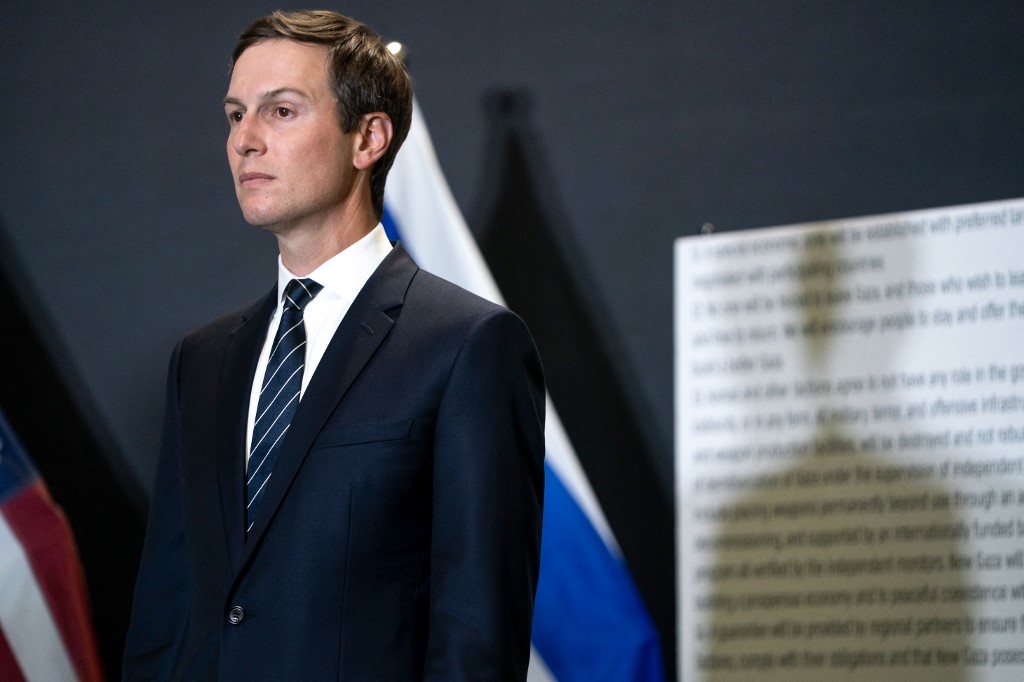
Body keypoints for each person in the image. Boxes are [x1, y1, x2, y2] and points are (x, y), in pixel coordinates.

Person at [123, 10, 545, 680]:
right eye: (235, 115)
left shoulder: (468, 346)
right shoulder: (200, 362)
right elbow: (167, 615)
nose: (245, 141)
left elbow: (477, 634)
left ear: (368, 137)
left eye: (280, 111)